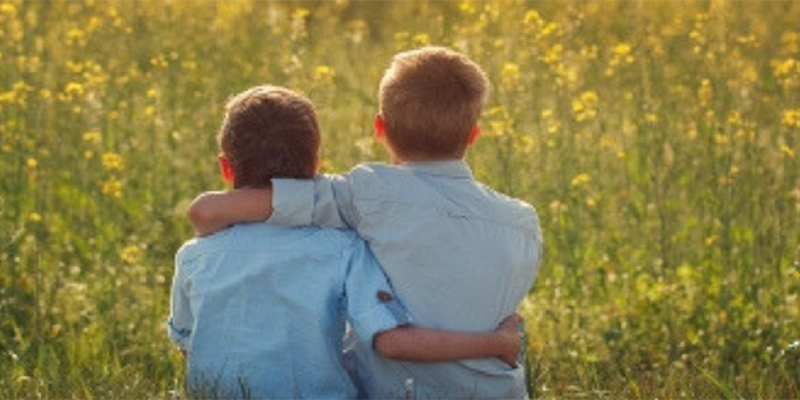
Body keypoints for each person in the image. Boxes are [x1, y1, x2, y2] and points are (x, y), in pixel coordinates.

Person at [188, 47, 543, 399]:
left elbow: (275, 200)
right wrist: (498, 343)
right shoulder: (523, 224)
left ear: (380, 127)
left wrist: (211, 208)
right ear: (473, 135)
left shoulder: (367, 194)